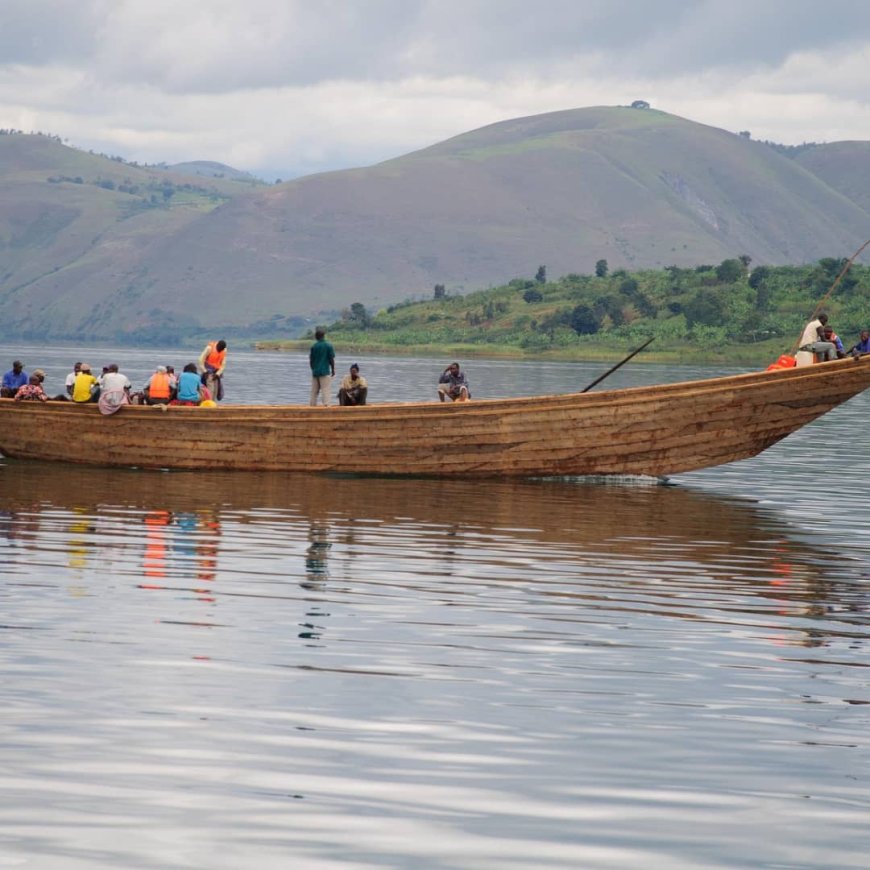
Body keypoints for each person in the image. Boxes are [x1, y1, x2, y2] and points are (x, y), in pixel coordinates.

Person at [309, 328, 335, 406]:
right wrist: (333, 369)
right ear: (323, 336)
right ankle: (326, 406)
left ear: (316, 337)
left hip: (315, 372)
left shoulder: (314, 346)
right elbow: (331, 359)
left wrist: (313, 369)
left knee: (314, 391)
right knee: (325, 390)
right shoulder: (328, 346)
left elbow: (311, 360)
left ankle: (312, 406)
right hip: (324, 371)